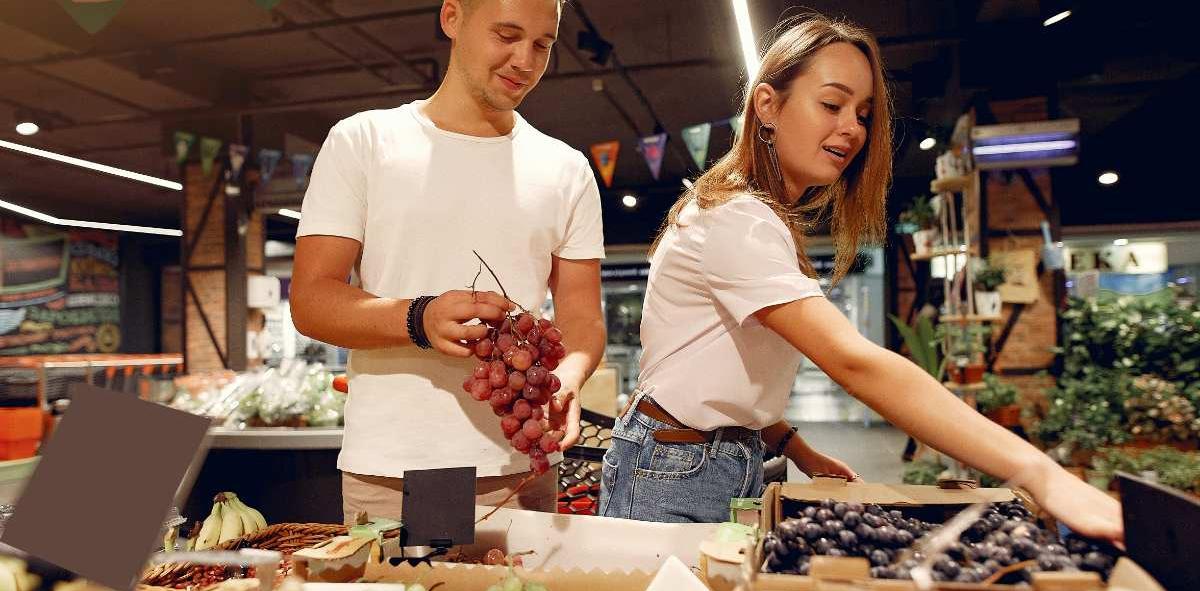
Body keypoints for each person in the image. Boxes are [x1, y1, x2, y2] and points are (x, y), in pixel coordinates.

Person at [599, 15, 1122, 543]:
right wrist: (1040, 473)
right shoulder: (737, 219)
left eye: (863, 113)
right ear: (767, 106)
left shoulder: (757, 217)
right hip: (673, 469)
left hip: (705, 460)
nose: (853, 128)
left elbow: (716, 366)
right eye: (832, 104)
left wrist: (795, 448)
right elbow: (854, 361)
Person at [290, 0, 605, 523]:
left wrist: (568, 378)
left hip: (522, 463)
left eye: (542, 45)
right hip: (400, 469)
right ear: (452, 18)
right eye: (506, 35)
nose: (524, 60)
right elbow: (312, 299)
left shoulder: (566, 169)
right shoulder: (364, 142)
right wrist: (418, 317)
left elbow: (582, 316)